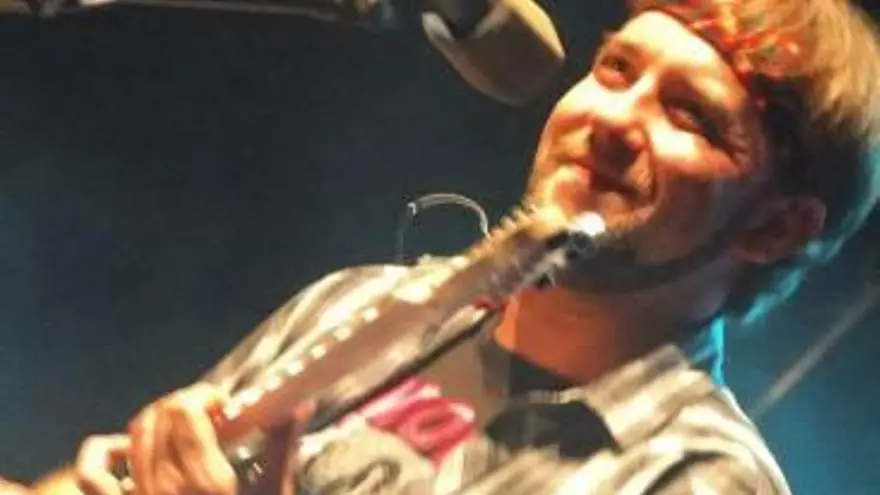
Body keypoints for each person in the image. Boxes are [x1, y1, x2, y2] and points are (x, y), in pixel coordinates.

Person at [32, 0, 880, 493]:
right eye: (617, 70)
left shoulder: (699, 477)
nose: (613, 118)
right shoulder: (361, 303)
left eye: (688, 114)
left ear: (775, 227)